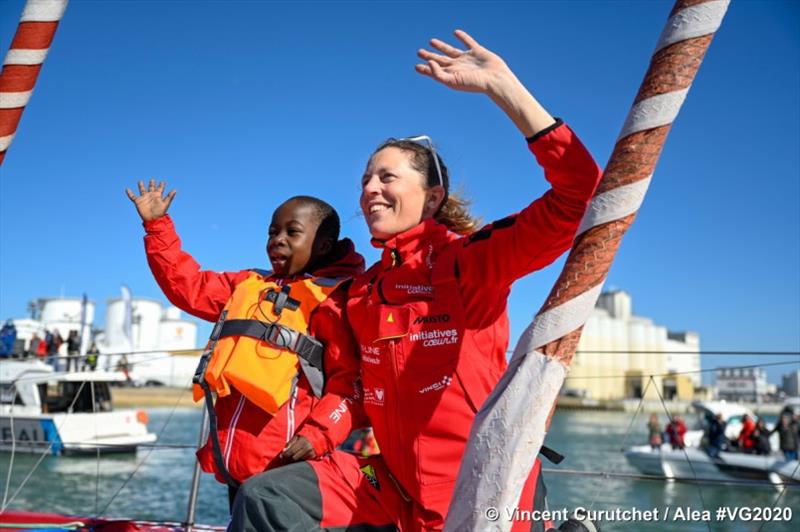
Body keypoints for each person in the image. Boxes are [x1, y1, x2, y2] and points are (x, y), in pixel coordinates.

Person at [231, 30, 602, 531]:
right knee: (266, 496)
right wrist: (320, 435)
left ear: (431, 198)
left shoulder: (468, 263)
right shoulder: (360, 293)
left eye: (387, 177)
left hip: (482, 490)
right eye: (365, 179)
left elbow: (581, 197)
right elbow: (354, 388)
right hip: (396, 486)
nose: (369, 190)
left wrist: (505, 90)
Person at [127, 181, 366, 510]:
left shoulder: (334, 302)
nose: (277, 240)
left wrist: (318, 435)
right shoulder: (246, 286)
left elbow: (350, 383)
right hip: (237, 465)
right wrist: (157, 227)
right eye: (272, 231)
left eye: (291, 232)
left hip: (288, 465)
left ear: (323, 246)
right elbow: (187, 284)